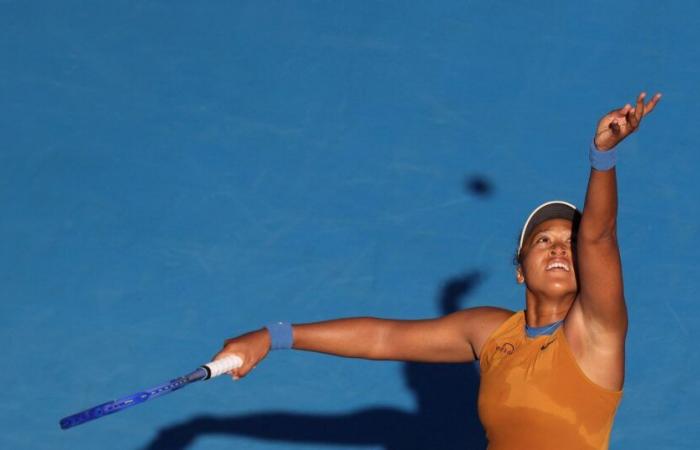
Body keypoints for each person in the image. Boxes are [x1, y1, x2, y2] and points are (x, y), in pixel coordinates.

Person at [213, 91, 662, 450]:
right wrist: (274, 336)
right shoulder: (492, 333)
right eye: (543, 241)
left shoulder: (597, 331)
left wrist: (602, 156)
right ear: (520, 269)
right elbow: (383, 339)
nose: (559, 248)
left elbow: (599, 237)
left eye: (569, 242)